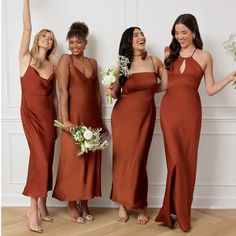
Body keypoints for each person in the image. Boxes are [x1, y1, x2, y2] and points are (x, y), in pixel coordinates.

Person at [155, 13, 236, 232]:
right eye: (176, 32)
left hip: (191, 113)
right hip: (169, 112)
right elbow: (163, 87)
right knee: (175, 160)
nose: (179, 36)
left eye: (183, 32)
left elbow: (209, 90)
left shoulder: (205, 56)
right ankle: (172, 211)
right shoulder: (169, 55)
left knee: (187, 161)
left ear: (193, 32)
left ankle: (181, 212)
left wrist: (229, 77)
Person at [105, 27, 166, 224]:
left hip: (145, 116)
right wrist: (110, 89)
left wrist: (147, 91)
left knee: (139, 160)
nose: (141, 37)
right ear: (128, 41)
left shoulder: (154, 61)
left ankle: (141, 205)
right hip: (123, 116)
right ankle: (122, 204)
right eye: (136, 35)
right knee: (122, 159)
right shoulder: (122, 64)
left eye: (142, 34)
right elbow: (115, 93)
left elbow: (165, 85)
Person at [52, 22, 106, 224]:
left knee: (90, 161)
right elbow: (63, 91)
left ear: (86, 42)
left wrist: (101, 123)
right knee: (73, 162)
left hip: (92, 119)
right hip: (73, 119)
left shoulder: (93, 63)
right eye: (71, 42)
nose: (74, 45)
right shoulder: (66, 60)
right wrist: (65, 119)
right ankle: (72, 204)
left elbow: (98, 96)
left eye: (78, 42)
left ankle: (85, 204)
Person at [19, 0, 58, 233]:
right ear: (37, 39)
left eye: (50, 37)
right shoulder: (26, 58)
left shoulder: (52, 67)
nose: (47, 39)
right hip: (31, 115)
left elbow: (53, 98)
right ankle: (32, 209)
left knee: (47, 157)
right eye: (44, 35)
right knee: (39, 159)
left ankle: (43, 203)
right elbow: (26, 27)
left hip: (48, 117)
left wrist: (58, 121)